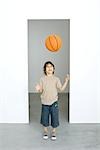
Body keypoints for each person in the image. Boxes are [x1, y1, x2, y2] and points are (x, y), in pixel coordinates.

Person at [35, 61, 70, 140]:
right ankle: (45, 131)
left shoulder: (56, 79)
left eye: (51, 66)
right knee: (44, 118)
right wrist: (38, 89)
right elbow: (41, 90)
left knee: (54, 117)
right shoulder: (42, 79)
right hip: (45, 103)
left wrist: (66, 81)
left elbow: (61, 89)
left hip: (54, 102)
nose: (49, 68)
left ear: (53, 69)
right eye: (47, 67)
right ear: (45, 69)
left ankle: (54, 131)